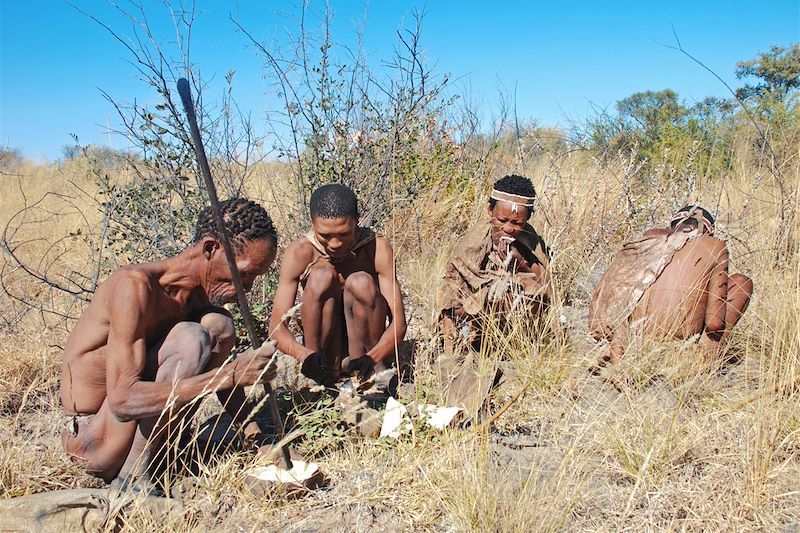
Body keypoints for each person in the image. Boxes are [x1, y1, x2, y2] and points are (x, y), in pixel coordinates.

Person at [60, 198, 279, 486]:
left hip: (145, 432)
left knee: (220, 325)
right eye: (245, 273)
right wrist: (228, 376)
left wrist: (255, 436)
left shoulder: (198, 300)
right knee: (191, 338)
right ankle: (134, 479)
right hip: (95, 442)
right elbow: (122, 400)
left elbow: (228, 379)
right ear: (211, 248)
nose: (247, 287)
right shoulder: (134, 288)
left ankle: (157, 454)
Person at [269, 183, 406, 384]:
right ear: (312, 223)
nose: (334, 244)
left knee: (361, 282)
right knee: (320, 277)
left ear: (356, 222)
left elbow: (399, 324)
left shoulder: (376, 248)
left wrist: (373, 357)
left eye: (344, 234)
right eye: (325, 236)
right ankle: (321, 375)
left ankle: (371, 375)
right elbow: (276, 328)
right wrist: (304, 355)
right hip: (323, 348)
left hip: (367, 349)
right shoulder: (300, 252)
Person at [589, 205, 753, 364]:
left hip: (629, 342)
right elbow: (714, 323)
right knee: (741, 283)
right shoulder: (714, 245)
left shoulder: (647, 239)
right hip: (678, 351)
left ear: (673, 225)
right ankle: (703, 362)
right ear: (708, 231)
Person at [438, 174, 552, 352]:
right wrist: (490, 293)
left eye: (517, 223)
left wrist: (519, 264)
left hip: (515, 328)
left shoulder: (531, 240)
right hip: (474, 323)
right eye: (502, 220)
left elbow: (546, 290)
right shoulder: (473, 244)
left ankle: (519, 346)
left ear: (527, 219)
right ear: (490, 211)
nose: (508, 228)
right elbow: (453, 302)